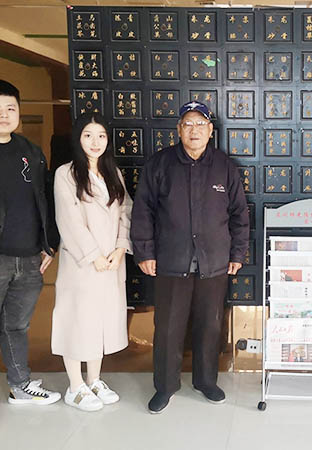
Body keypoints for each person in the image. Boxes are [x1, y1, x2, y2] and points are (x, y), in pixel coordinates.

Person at [131, 101, 249, 414]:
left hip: (214, 261)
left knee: (210, 325)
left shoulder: (224, 166)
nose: (194, 130)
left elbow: (239, 213)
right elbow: (142, 211)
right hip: (171, 259)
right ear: (178, 130)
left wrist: (237, 253)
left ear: (210, 130)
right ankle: (165, 386)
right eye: (188, 124)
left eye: (200, 124)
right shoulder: (160, 164)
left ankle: (206, 381)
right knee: (168, 327)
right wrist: (144, 251)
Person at [52, 113, 132, 411]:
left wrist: (121, 248)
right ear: (78, 138)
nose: (95, 142)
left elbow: (126, 211)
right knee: (77, 320)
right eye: (88, 135)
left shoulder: (113, 173)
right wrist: (93, 255)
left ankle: (94, 379)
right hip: (82, 264)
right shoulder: (66, 174)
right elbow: (69, 220)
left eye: (101, 136)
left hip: (111, 263)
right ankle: (75, 386)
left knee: (101, 321)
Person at [0, 80, 61, 405]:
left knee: (16, 325)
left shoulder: (31, 152)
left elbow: (44, 199)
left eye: (10, 108)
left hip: (28, 259)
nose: (4, 115)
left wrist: (47, 243)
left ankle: (20, 385)